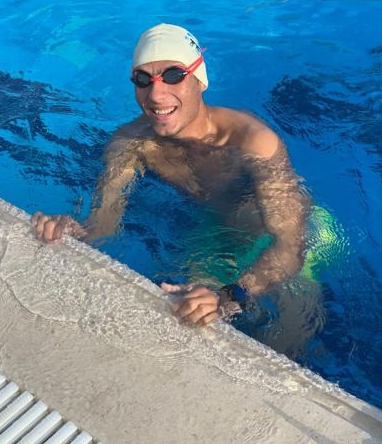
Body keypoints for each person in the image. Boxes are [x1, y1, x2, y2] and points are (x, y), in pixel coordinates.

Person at [32, 23, 311, 328]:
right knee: (187, 312)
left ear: (200, 80)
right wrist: (71, 231)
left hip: (294, 235)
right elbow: (103, 225)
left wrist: (229, 296)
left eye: (174, 75)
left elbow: (290, 247)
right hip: (215, 231)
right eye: (143, 79)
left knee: (290, 330)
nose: (156, 94)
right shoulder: (131, 143)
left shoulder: (252, 141)